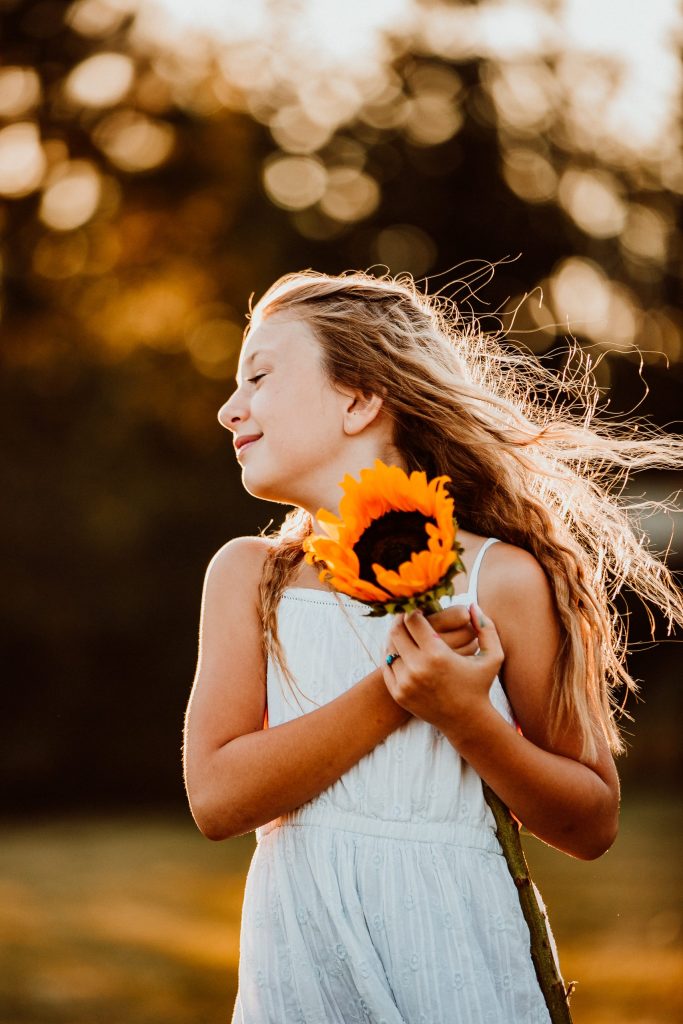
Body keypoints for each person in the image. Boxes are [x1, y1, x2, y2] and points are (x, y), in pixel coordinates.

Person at [183, 269, 683, 1023]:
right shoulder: (248, 578)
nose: (229, 409)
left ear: (358, 397)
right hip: (302, 966)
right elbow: (217, 800)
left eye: (257, 376)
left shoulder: (498, 580)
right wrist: (395, 692)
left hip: (457, 957)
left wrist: (468, 719)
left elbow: (591, 823)